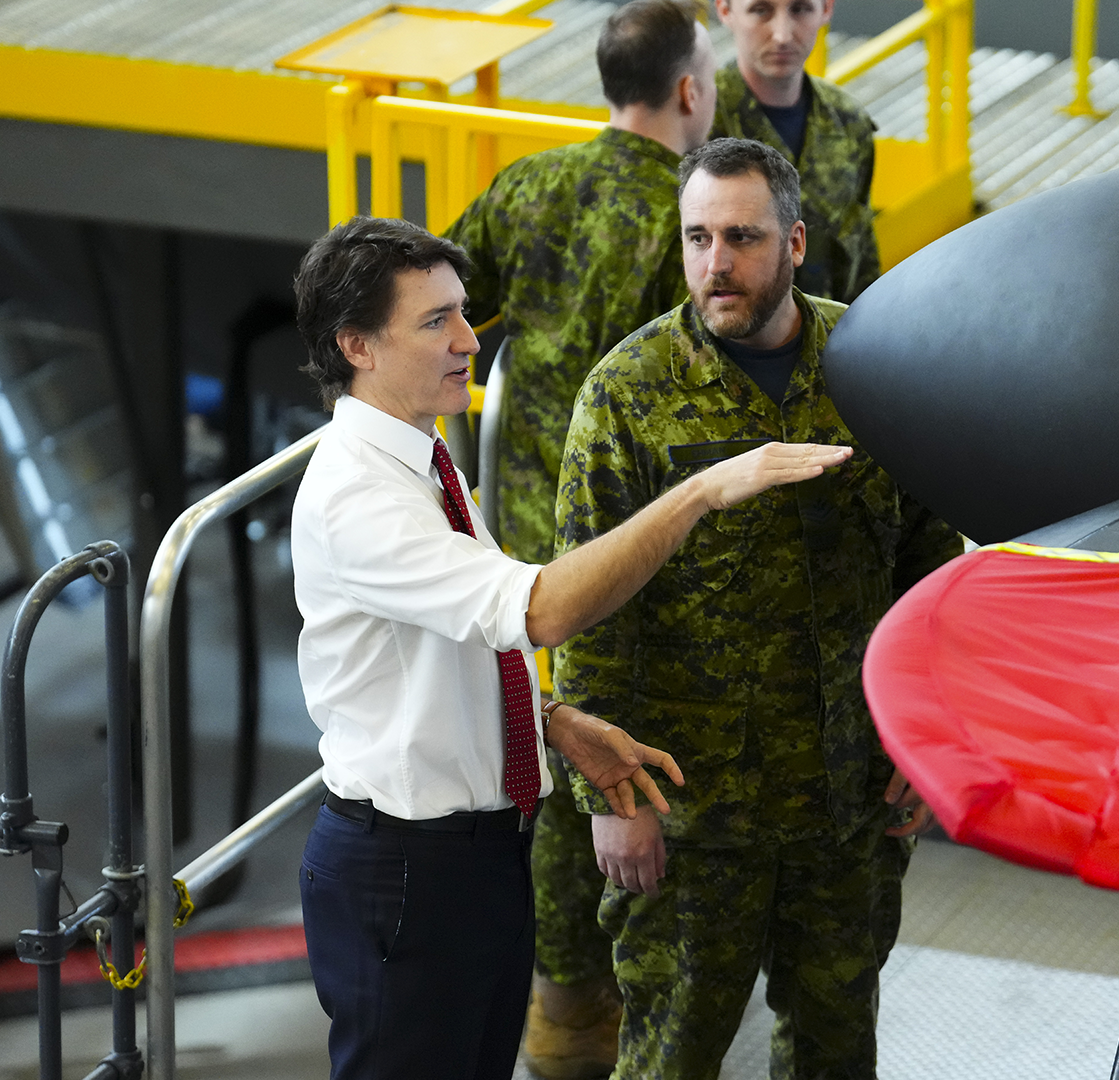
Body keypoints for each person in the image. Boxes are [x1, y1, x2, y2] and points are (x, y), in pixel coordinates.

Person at [290, 215, 852, 1080]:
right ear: (356, 344)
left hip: (474, 857)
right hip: (407, 872)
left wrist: (551, 718)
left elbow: (447, 641)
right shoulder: (357, 496)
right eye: (435, 321)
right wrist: (699, 491)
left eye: (463, 313)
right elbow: (539, 610)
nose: (470, 341)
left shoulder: (422, 461)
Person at [555, 138, 962, 1079]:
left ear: (796, 242)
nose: (715, 264)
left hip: (846, 801)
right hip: (695, 817)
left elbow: (928, 563)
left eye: (741, 237)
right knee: (671, 1058)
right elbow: (591, 612)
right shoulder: (628, 396)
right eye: (697, 237)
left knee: (835, 1049)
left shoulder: (875, 365)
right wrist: (616, 802)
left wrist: (925, 738)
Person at [442, 3, 719, 1072]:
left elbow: (454, 314)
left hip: (526, 560)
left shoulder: (530, 186)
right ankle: (649, 1008)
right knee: (648, 767)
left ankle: (561, 1022)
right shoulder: (692, 227)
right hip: (652, 556)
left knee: (554, 752)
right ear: (690, 90)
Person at [711, 0, 880, 302]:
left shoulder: (849, 122)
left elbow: (862, 261)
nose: (782, 35)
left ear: (826, 9)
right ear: (725, 10)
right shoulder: (699, 125)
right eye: (760, 10)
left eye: (800, 9)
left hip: (832, 340)